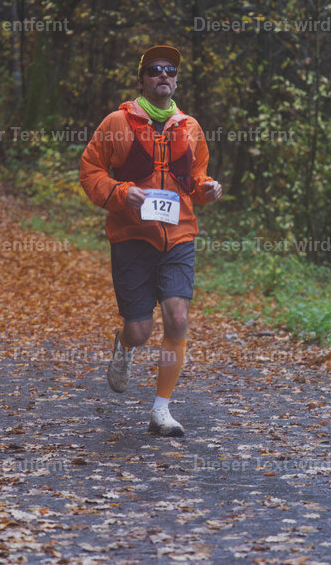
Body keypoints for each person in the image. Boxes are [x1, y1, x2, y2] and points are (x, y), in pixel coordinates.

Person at [80, 45, 222, 437]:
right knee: (140, 331)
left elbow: (194, 180)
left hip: (178, 236)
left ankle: (161, 409)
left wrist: (207, 190)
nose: (164, 74)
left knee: (177, 317)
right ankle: (124, 346)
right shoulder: (116, 123)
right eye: (155, 69)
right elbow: (90, 171)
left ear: (176, 81)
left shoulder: (190, 127)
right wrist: (121, 193)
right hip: (131, 237)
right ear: (141, 80)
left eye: (170, 70)